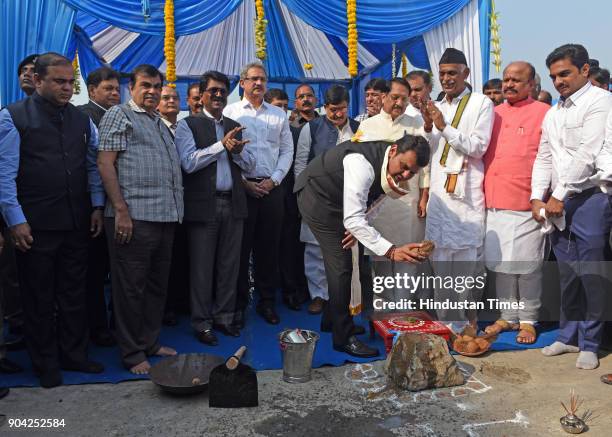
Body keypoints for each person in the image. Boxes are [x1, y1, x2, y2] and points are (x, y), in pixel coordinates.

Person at [0, 52, 106, 388]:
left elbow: (92, 166)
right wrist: (15, 221)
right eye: (59, 81)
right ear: (38, 80)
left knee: (74, 292)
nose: (66, 88)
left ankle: (74, 354)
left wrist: (97, 206)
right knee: (39, 296)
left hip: (76, 221)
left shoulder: (81, 119)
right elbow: (4, 176)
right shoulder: (13, 117)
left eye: (69, 82)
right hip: (35, 226)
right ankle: (45, 363)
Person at [295, 134, 431, 357]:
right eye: (404, 167)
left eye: (412, 173)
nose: (405, 175)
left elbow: (375, 201)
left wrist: (358, 228)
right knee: (342, 266)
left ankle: (331, 320)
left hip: (338, 200)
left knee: (347, 254)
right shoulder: (362, 164)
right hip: (317, 198)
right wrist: (391, 250)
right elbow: (353, 218)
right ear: (394, 150)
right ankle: (343, 337)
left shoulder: (390, 159)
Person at [97, 64, 183, 374]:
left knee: (156, 286)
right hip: (132, 218)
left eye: (157, 86)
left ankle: (150, 341)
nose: (152, 91)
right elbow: (106, 164)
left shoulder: (159, 122)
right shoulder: (119, 115)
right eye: (145, 85)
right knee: (130, 288)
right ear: (130, 88)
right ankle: (132, 353)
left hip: (164, 217)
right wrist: (120, 210)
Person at [532, 44, 612, 370]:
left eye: (564, 73)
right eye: (553, 76)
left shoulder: (601, 102)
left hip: (592, 197)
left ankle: (591, 343)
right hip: (558, 204)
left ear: (584, 71)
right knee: (567, 275)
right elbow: (544, 156)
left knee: (592, 275)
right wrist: (537, 195)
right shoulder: (553, 113)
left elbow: (588, 155)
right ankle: (567, 337)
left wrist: (557, 196)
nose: (558, 81)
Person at [175, 71, 255, 345]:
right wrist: (221, 145)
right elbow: (188, 163)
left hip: (234, 204)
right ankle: (201, 322)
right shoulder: (189, 125)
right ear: (202, 94)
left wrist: (238, 152)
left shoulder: (236, 124)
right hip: (203, 206)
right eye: (213, 91)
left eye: (223, 91)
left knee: (229, 266)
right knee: (201, 267)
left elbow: (250, 165)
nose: (219, 95)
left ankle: (224, 317)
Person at [420, 48, 495, 334]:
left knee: (464, 268)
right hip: (440, 196)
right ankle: (444, 325)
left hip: (465, 195)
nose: (447, 79)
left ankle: (464, 324)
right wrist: (429, 126)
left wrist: (443, 125)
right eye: (442, 74)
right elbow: (427, 150)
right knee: (440, 266)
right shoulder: (439, 103)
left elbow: (478, 147)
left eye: (452, 72)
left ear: (466, 73)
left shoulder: (481, 103)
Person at [482, 61, 551, 344]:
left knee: (527, 266)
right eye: (506, 80)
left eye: (516, 80)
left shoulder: (546, 113)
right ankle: (507, 316)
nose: (508, 85)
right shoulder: (492, 113)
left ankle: (528, 319)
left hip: (527, 202)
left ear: (532, 84)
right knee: (501, 264)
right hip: (494, 201)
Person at [224, 62, 293, 326]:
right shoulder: (230, 113)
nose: (258, 84)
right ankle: (239, 305)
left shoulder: (278, 114)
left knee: (269, 250)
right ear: (242, 83)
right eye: (253, 79)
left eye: (262, 79)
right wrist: (244, 184)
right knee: (240, 251)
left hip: (272, 189)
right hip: (241, 190)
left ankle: (266, 302)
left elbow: (287, 150)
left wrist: (274, 181)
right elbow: (226, 153)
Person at [355, 77, 430, 308]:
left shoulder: (416, 123)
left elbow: (425, 164)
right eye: (394, 97)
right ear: (383, 97)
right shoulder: (367, 126)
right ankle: (383, 308)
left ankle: (404, 306)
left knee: (408, 255)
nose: (398, 103)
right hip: (378, 203)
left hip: (408, 201)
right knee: (381, 254)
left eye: (404, 99)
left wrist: (425, 196)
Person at [294, 85, 359, 315]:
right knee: (315, 250)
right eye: (332, 110)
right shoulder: (311, 129)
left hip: (350, 200)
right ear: (324, 107)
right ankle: (319, 295)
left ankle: (342, 297)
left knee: (346, 250)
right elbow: (300, 164)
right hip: (317, 198)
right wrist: (302, 195)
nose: (338, 115)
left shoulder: (359, 129)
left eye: (341, 109)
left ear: (348, 106)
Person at [78, 66, 121, 347]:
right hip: (93, 207)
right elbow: (92, 165)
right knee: (93, 272)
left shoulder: (120, 116)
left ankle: (117, 322)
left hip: (118, 206)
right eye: (109, 89)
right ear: (92, 90)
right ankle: (96, 327)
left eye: (118, 89)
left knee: (116, 268)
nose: (115, 94)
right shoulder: (83, 117)